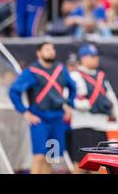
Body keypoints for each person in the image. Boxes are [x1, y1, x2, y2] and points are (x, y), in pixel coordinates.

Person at [9, 42, 76, 174]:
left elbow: (72, 87)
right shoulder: (32, 71)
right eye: (47, 49)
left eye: (52, 49)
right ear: (39, 53)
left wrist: (69, 104)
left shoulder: (60, 69)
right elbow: (14, 91)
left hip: (57, 118)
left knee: (51, 157)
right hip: (39, 118)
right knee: (39, 156)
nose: (51, 51)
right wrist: (24, 112)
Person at [68, 44, 118, 173]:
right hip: (82, 126)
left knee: (99, 165)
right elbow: (70, 98)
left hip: (100, 126)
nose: (96, 59)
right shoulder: (75, 76)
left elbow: (112, 99)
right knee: (81, 165)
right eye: (92, 56)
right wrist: (85, 105)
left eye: (96, 56)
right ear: (83, 58)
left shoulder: (101, 77)